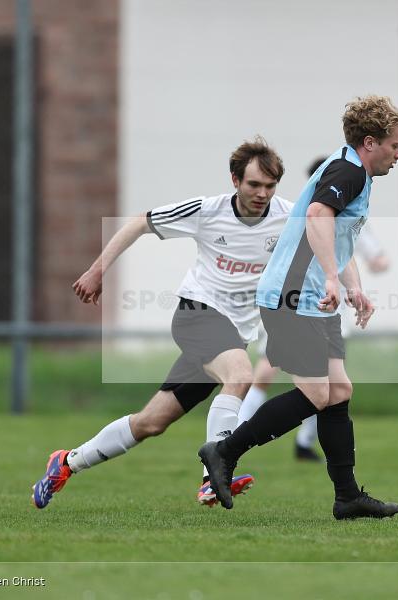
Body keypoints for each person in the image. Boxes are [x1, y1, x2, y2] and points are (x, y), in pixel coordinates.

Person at [31, 137, 292, 509]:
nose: (262, 193)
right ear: (235, 180)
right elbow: (141, 222)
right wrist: (96, 270)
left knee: (151, 422)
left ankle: (66, 463)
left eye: (269, 186)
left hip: (231, 334)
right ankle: (213, 475)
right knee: (240, 375)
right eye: (254, 184)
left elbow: (327, 235)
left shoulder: (289, 216)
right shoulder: (207, 210)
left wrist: (344, 286)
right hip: (197, 314)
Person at [199, 95, 398, 520]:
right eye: (394, 144)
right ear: (370, 142)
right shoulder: (348, 170)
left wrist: (354, 287)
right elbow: (316, 216)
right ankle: (223, 451)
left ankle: (348, 497)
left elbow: (335, 234)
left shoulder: (353, 168)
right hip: (291, 297)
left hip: (313, 299)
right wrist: (332, 278)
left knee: (338, 392)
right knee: (317, 393)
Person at [238, 158, 392, 462]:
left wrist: (357, 284)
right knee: (289, 380)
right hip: (294, 302)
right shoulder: (308, 212)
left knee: (331, 387)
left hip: (329, 310)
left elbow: (353, 251)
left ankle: (306, 445)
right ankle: (230, 442)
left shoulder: (350, 213)